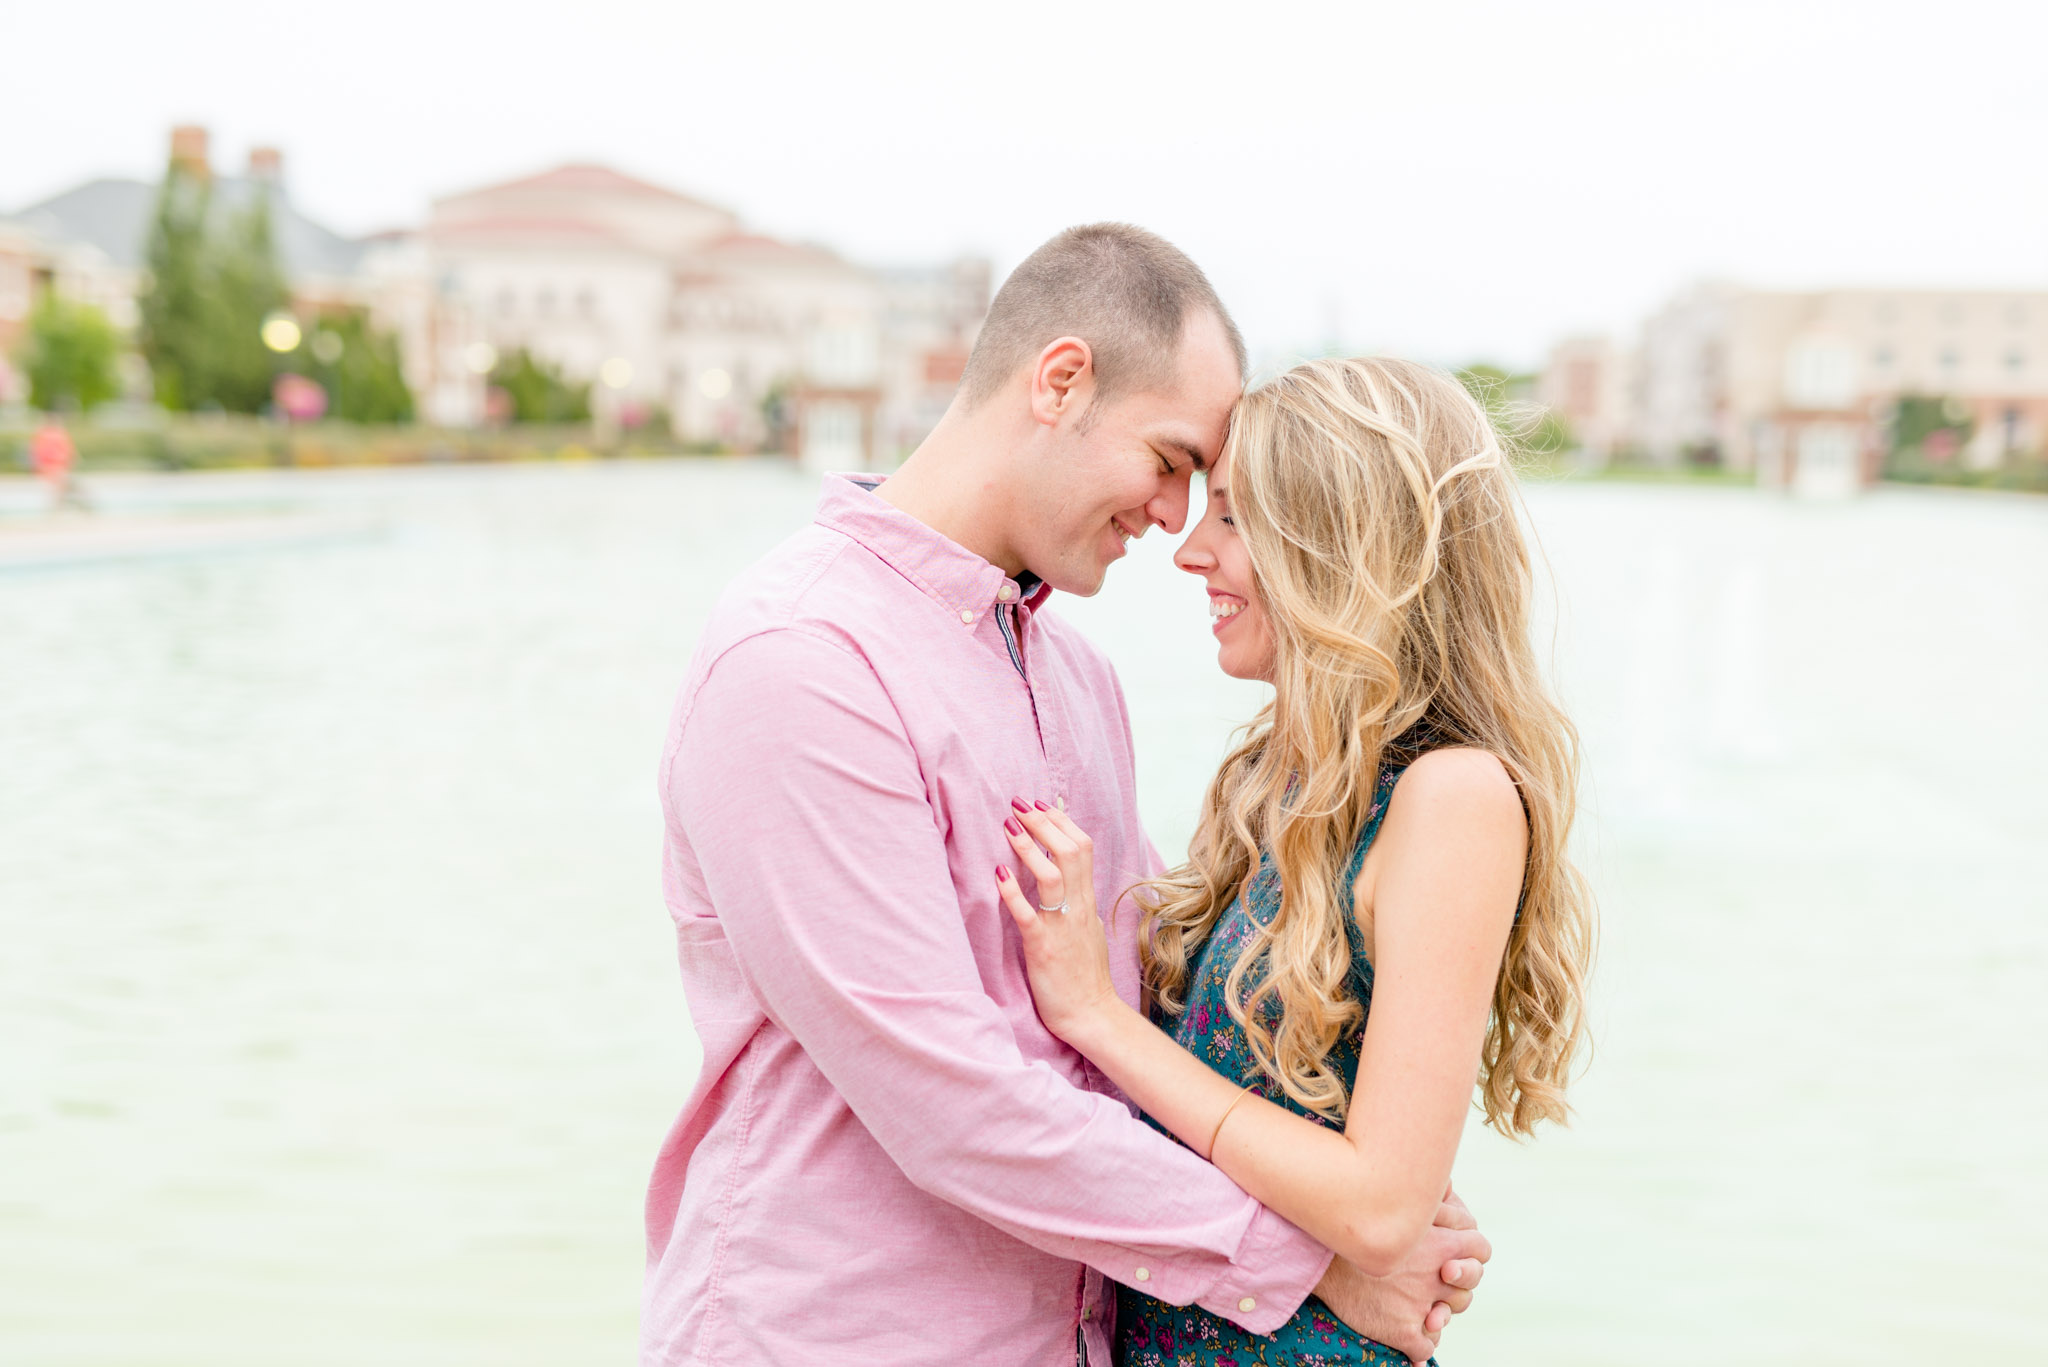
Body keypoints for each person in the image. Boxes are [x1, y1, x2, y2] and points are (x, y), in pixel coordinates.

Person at [646, 229, 1490, 1367]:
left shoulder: (1076, 681)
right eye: (1170, 459)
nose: (1174, 519)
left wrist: (1375, 1195)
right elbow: (948, 1098)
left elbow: (1133, 1017)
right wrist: (1310, 1264)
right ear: (1059, 381)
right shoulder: (801, 662)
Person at [991, 356, 1595, 1364]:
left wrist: (1095, 1017)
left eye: (1231, 516)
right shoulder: (1279, 776)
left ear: (1339, 538)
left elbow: (1379, 1207)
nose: (1190, 551)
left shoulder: (1449, 795)